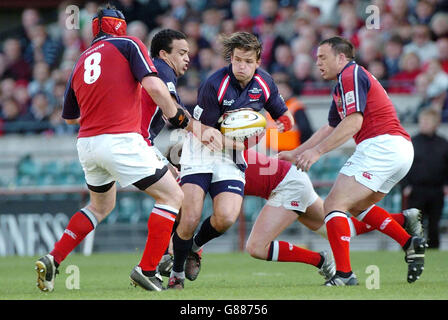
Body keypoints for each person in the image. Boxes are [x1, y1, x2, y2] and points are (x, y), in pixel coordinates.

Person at [34, 5, 191, 293]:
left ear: (95, 29)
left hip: (87, 143)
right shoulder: (130, 43)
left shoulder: (80, 61)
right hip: (120, 138)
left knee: (100, 206)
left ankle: (53, 259)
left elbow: (69, 116)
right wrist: (178, 116)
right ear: (121, 26)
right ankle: (147, 269)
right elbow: (155, 88)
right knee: (173, 195)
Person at [279, 36, 427, 286]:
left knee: (334, 204)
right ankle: (407, 237)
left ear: (341, 57)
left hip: (382, 145)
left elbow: (354, 122)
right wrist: (297, 152)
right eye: (316, 59)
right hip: (398, 149)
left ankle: (344, 275)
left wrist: (316, 153)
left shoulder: (350, 74)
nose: (318, 63)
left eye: (322, 58)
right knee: (356, 207)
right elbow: (331, 126)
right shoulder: (343, 83)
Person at [180, 149, 423, 283]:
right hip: (291, 179)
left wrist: (191, 246)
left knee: (256, 247)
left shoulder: (207, 165)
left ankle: (320, 261)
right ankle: (403, 221)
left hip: (287, 185)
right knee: (341, 230)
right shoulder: (208, 160)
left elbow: (208, 215)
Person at [169, 31, 294, 289]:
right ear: (231, 58)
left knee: (225, 217)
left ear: (258, 61)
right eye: (237, 60)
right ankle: (176, 275)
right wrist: (240, 142)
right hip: (201, 149)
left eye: (247, 61)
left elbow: (283, 114)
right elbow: (204, 132)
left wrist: (284, 122)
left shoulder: (266, 83)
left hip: (232, 154)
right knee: (190, 217)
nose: (241, 66)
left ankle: (191, 248)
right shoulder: (215, 83)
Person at [135, 28, 223, 290]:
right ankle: (155, 263)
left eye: (189, 53)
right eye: (182, 53)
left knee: (176, 191)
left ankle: (163, 257)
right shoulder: (162, 69)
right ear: (164, 54)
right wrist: (201, 130)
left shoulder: (156, 70)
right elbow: (174, 111)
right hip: (134, 144)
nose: (188, 58)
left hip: (141, 143)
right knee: (175, 196)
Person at [402, 108, 448, 249]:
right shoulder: (411, 142)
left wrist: (446, 184)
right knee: (413, 224)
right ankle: (410, 250)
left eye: (427, 122)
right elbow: (403, 166)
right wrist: (405, 186)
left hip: (436, 190)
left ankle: (434, 249)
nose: (423, 124)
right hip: (415, 190)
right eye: (422, 121)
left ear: (435, 123)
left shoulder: (443, 143)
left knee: (434, 224)